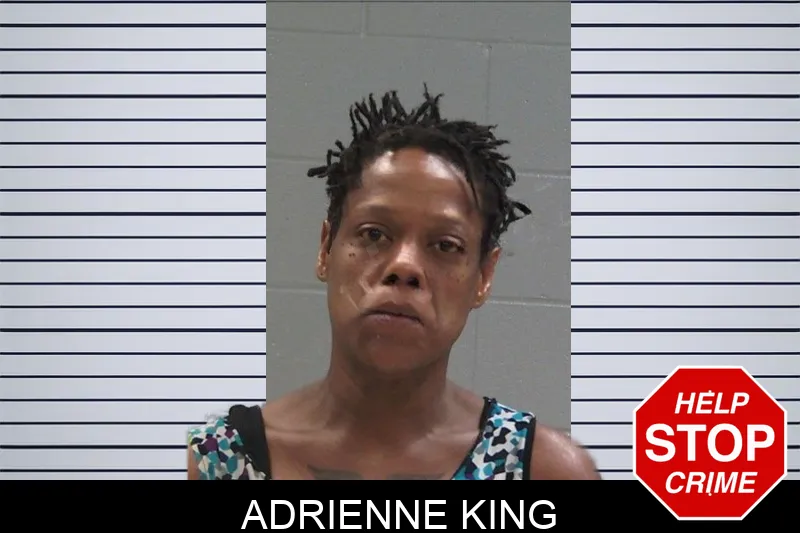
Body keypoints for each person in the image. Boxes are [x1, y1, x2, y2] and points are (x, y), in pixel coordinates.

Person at [187, 87, 600, 480]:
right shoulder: (215, 462)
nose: (404, 266)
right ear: (326, 248)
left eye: (445, 245)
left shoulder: (544, 471)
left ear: (483, 276)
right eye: (374, 234)